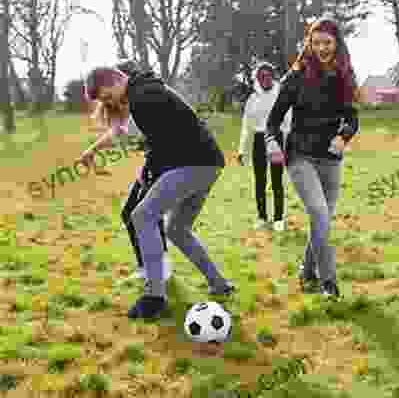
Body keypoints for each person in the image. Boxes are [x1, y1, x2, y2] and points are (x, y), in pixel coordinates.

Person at [81, 65, 235, 319]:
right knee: (176, 229)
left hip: (192, 162)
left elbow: (162, 143)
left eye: (107, 96)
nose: (110, 102)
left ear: (117, 80)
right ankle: (220, 284)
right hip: (208, 162)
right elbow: (161, 139)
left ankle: (155, 297)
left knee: (142, 216)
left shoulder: (142, 97)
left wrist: (149, 171)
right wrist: (148, 169)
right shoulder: (145, 90)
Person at [264, 18, 360, 299]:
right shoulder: (296, 77)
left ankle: (306, 270)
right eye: (315, 42)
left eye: (327, 42)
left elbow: (352, 117)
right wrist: (272, 143)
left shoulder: (345, 76)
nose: (321, 48)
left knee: (323, 221)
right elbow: (273, 122)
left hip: (331, 158)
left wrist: (344, 137)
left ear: (336, 44)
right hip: (300, 156)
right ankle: (327, 281)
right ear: (309, 44)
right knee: (319, 214)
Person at [89, 60, 172, 282]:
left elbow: (144, 137)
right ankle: (148, 265)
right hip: (152, 161)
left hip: (162, 161)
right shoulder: (123, 106)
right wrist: (91, 151)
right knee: (131, 213)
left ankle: (161, 267)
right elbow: (117, 132)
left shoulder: (142, 100)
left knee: (145, 214)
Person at [238, 62, 292, 231]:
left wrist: (287, 143)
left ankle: (278, 219)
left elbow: (288, 121)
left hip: (276, 139)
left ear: (273, 76)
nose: (265, 79)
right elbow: (246, 126)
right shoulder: (253, 99)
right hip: (259, 141)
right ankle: (262, 218)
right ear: (257, 79)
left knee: (277, 181)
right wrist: (241, 149)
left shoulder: (280, 94)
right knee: (260, 182)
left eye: (268, 76)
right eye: (261, 77)